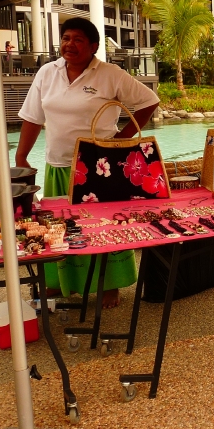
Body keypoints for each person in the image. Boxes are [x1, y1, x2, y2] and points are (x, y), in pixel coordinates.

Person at [16, 18, 159, 308]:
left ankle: (109, 284)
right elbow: (32, 117)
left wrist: (122, 138)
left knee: (103, 226)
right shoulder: (47, 72)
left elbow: (149, 100)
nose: (70, 44)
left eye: (78, 39)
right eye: (66, 38)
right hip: (58, 165)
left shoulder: (109, 74)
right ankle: (60, 281)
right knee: (59, 227)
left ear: (93, 46)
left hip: (98, 167)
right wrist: (21, 156)